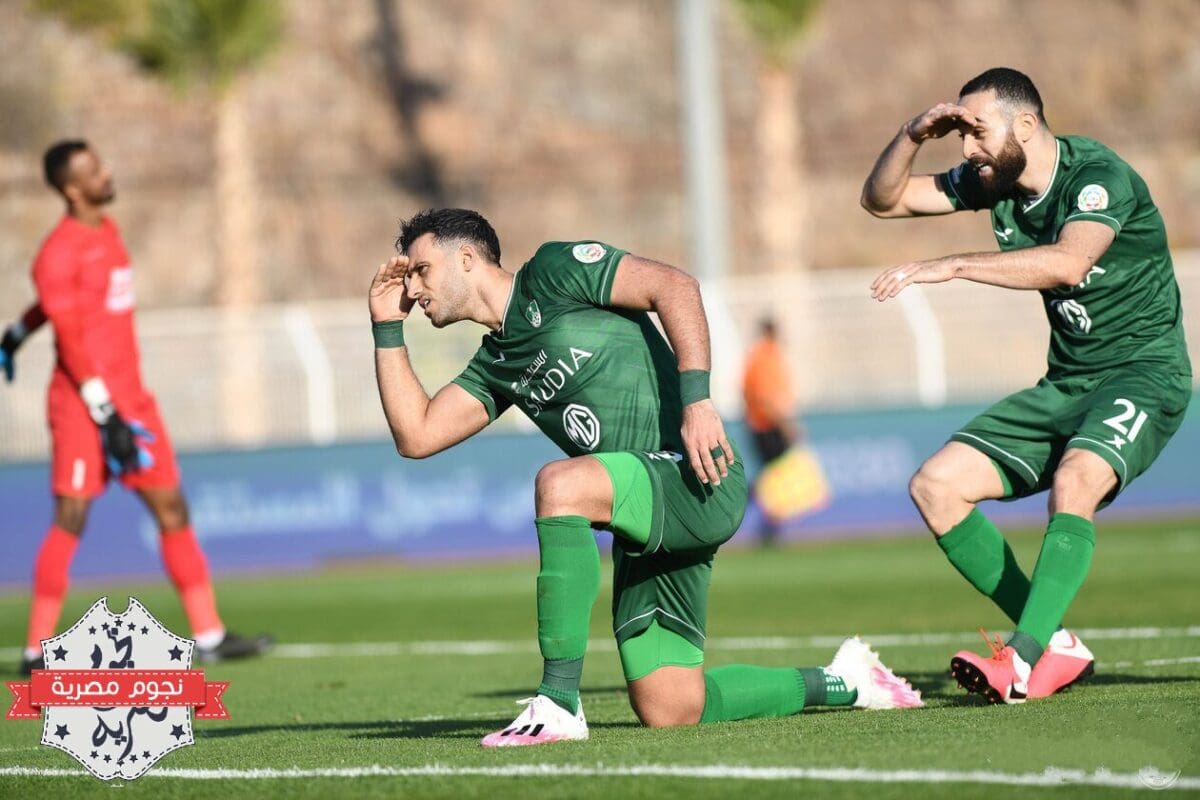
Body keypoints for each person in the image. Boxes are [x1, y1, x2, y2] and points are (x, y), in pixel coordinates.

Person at [369, 208, 923, 747]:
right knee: (671, 707)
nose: (414, 288)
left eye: (422, 270)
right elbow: (417, 436)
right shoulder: (497, 365)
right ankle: (846, 680)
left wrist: (698, 402)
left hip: (695, 473)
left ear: (466, 258)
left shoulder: (555, 271)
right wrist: (386, 327)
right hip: (641, 516)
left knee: (559, 485)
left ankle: (559, 703)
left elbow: (675, 287)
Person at [860, 68, 1191, 704]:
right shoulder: (995, 181)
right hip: (1067, 383)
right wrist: (910, 134)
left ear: (1027, 126)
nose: (967, 149)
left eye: (977, 131)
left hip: (1144, 374)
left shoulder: (1098, 178)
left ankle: (1020, 659)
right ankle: (1053, 642)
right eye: (961, 134)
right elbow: (883, 201)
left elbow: (1069, 261)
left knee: (1075, 481)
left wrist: (953, 264)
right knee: (936, 486)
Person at [2, 140, 271, 675]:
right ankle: (35, 651)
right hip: (82, 404)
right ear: (72, 189)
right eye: (95, 171)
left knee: (172, 509)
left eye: (103, 163)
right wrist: (104, 414)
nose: (107, 173)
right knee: (71, 517)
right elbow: (72, 335)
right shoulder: (56, 253)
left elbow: (64, 305)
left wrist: (15, 332)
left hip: (134, 400)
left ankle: (210, 634)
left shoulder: (107, 231)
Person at [741, 317, 800, 543]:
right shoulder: (766, 357)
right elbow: (767, 397)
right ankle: (766, 521)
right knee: (774, 475)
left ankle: (770, 523)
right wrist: (787, 425)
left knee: (771, 474)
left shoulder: (758, 356)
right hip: (768, 424)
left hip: (760, 422)